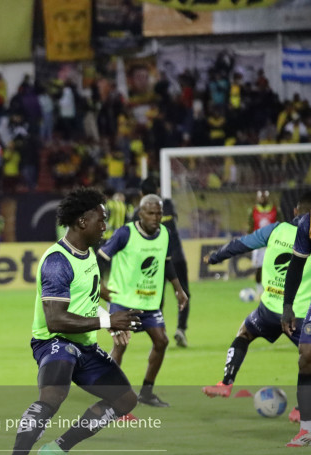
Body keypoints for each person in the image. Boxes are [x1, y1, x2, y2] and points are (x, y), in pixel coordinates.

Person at [0, 187, 141, 455]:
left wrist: (110, 322)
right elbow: (56, 318)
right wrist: (108, 320)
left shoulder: (87, 256)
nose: (105, 226)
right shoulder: (57, 261)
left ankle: (58, 448)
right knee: (52, 397)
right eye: (100, 220)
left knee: (126, 399)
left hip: (84, 343)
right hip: (54, 340)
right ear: (80, 221)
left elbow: (85, 300)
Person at [202, 192, 311, 424]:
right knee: (308, 359)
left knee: (244, 332)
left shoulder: (275, 230)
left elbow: (240, 244)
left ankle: (226, 382)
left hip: (269, 309)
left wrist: (215, 257)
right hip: (299, 315)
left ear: (295, 211)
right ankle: (302, 409)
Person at [98, 194, 188, 408]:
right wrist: (99, 286)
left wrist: (179, 289)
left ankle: (146, 392)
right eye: (151, 213)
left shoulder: (164, 233)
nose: (156, 217)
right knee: (120, 346)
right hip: (123, 301)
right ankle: (110, 396)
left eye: (159, 213)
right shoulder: (125, 233)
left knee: (162, 341)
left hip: (149, 303)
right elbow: (100, 257)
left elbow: (166, 263)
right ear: (140, 214)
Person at [140, 176, 190, 347]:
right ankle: (181, 329)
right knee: (183, 293)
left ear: (141, 194)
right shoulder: (168, 204)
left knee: (157, 296)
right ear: (158, 190)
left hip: (157, 257)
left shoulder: (140, 213)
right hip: (176, 256)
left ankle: (159, 330)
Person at [280, 198, 311, 446]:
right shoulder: (307, 224)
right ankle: (307, 429)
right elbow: (296, 266)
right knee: (306, 355)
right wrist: (287, 305)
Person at [250, 189, 279, 294]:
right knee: (259, 267)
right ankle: (259, 289)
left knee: (272, 266)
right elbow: (250, 226)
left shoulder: (274, 210)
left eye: (264, 196)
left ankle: (272, 289)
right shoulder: (254, 210)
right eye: (260, 197)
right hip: (258, 244)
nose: (262, 198)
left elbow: (280, 225)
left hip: (271, 243)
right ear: (257, 198)